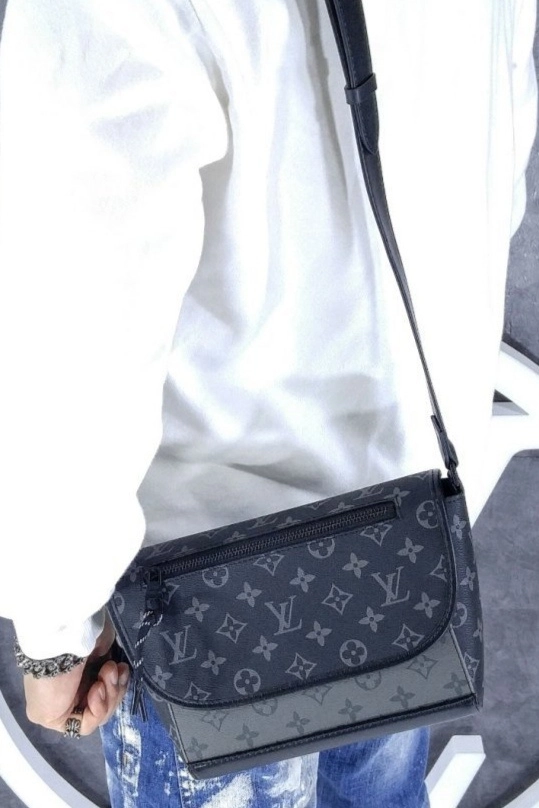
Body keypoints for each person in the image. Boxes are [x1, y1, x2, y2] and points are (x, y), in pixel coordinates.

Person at [0, 0, 536, 805]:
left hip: (203, 593)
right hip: (397, 561)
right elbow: (496, 164)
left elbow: (77, 315)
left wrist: (53, 630)